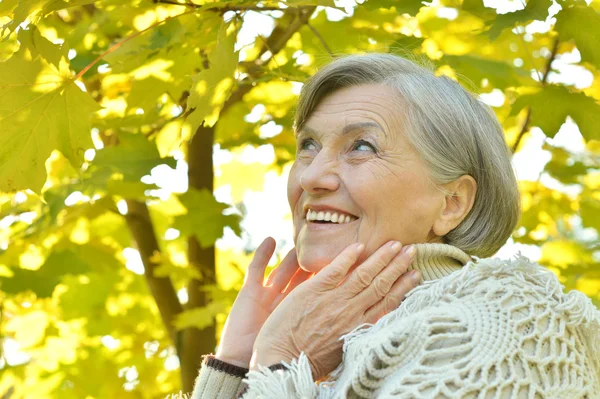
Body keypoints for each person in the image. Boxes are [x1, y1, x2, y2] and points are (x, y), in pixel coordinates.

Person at [181, 54, 600, 398]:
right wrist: (235, 365)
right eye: (308, 145)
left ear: (451, 204)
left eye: (361, 146)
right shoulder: (331, 345)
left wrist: (279, 358)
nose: (311, 177)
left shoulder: (510, 325)